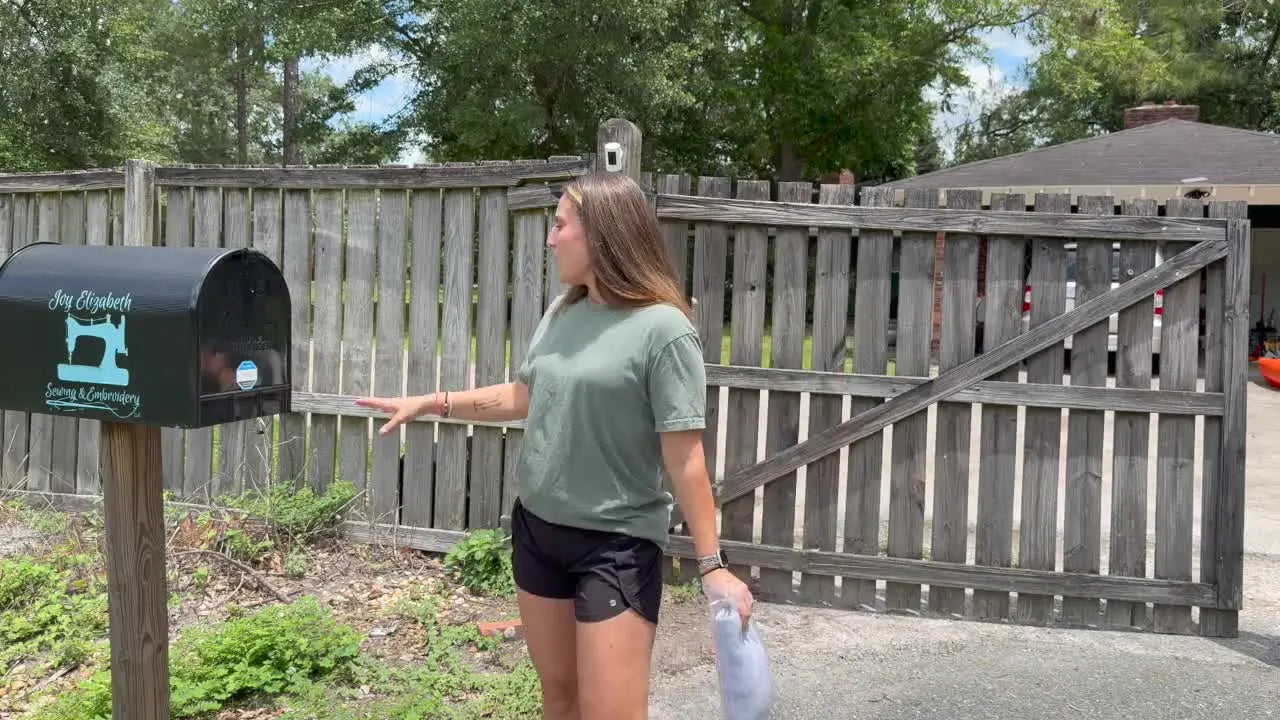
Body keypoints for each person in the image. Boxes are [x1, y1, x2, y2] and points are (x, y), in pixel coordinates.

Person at [356, 171, 754, 719]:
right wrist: (432, 402)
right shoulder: (563, 312)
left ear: (602, 235)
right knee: (559, 702)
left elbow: (684, 457)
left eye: (560, 224)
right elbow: (524, 395)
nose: (550, 238)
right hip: (538, 535)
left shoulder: (664, 330)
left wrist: (712, 565)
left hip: (614, 547)